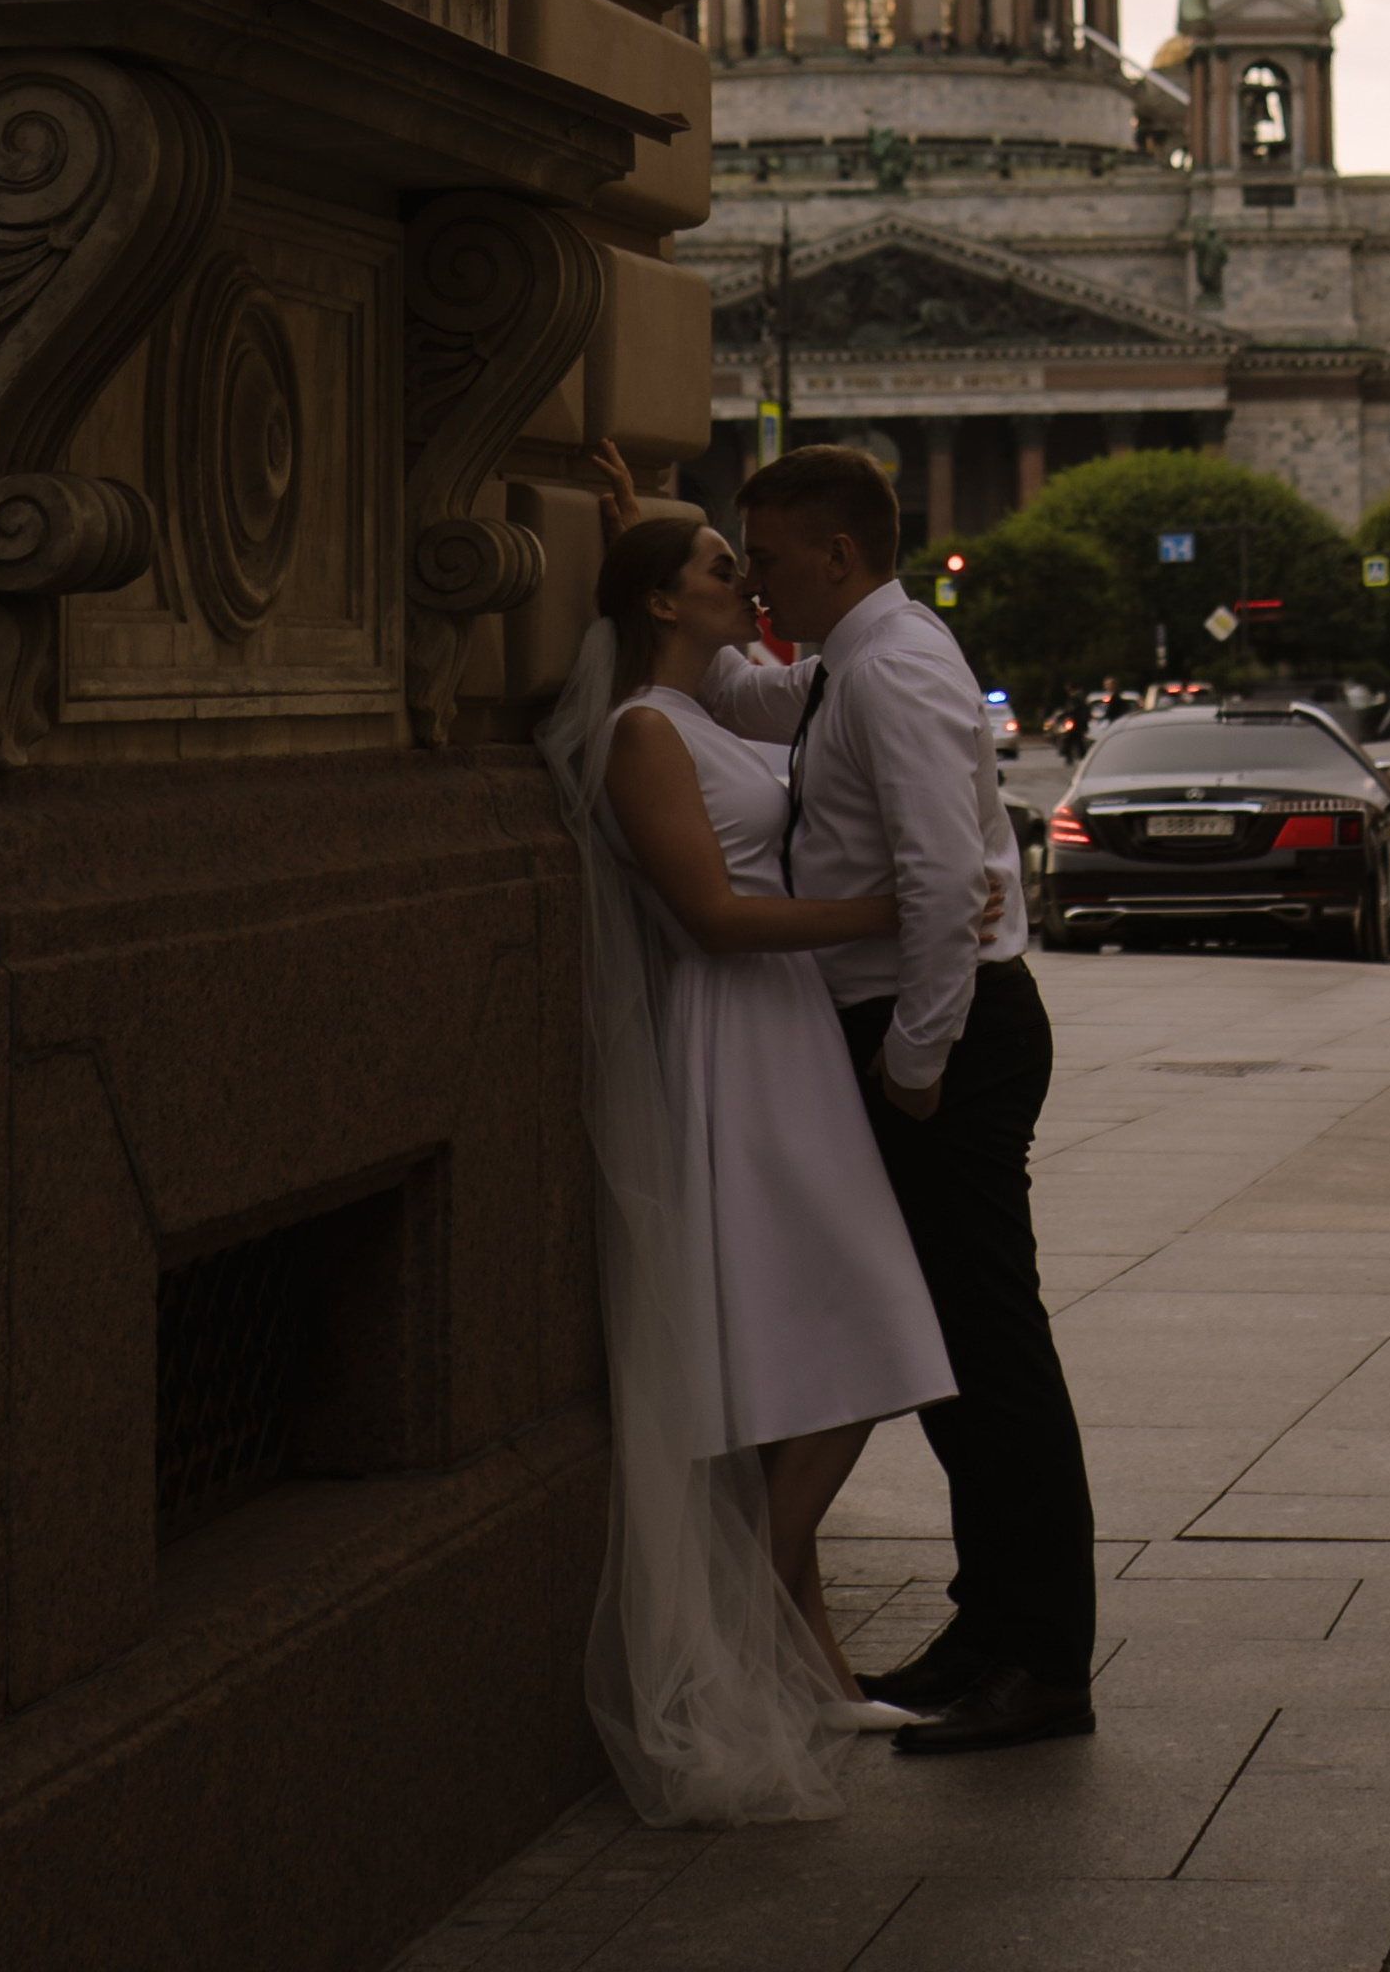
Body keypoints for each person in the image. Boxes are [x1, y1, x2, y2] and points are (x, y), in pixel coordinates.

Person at [537, 503, 960, 1824]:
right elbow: (713, 918)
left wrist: (638, 509)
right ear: (664, 604)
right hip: (736, 1038)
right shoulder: (641, 736)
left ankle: (812, 1659)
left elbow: (791, 680)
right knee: (874, 1323)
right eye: (725, 569)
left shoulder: (715, 714)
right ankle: (760, 1580)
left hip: (786, 1034)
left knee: (805, 1353)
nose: (748, 582)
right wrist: (897, 907)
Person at [713, 444, 1100, 1758]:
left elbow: (944, 881)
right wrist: (662, 567)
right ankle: (987, 1632)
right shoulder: (844, 665)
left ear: (835, 554)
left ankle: (1042, 1659)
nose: (754, 581)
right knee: (948, 1364)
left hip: (949, 1037)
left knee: (989, 1356)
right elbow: (747, 698)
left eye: (763, 559)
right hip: (921, 1030)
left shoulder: (894, 665)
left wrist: (917, 1066)